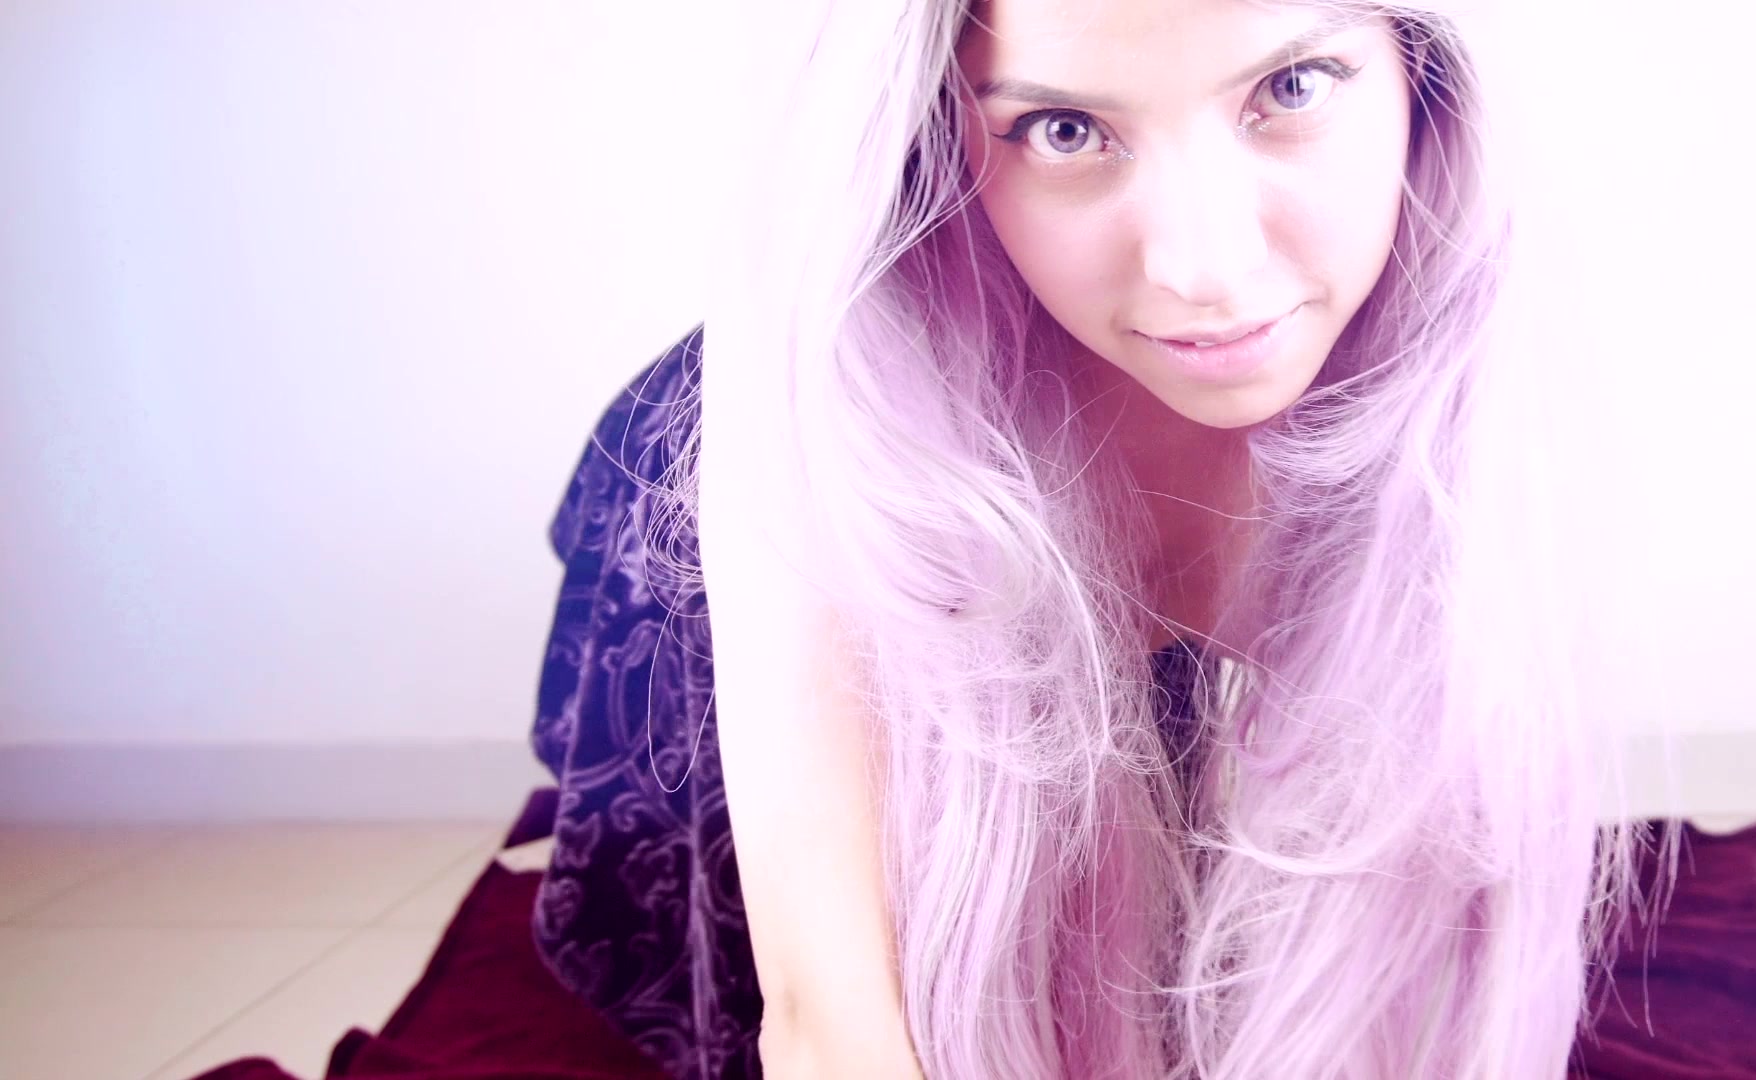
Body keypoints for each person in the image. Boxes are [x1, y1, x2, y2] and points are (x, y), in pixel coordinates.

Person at [532, 2, 1680, 1078]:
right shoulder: (813, 398)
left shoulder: (1487, 357)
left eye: (1292, 85)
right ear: (940, 135)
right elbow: (830, 1017)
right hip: (721, 551)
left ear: (1424, 77)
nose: (1207, 270)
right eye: (1065, 130)